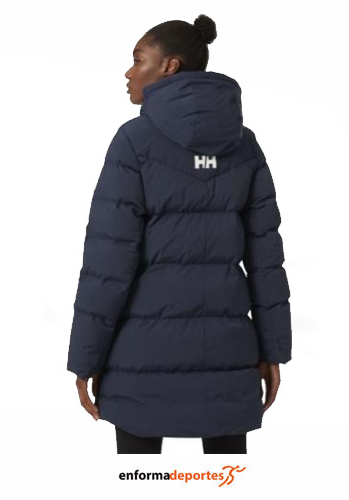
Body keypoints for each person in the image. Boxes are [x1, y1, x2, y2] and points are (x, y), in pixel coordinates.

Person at [67, 14, 292, 454]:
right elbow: (266, 260)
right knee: (225, 481)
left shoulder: (133, 142)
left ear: (169, 66)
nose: (129, 72)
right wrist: (273, 350)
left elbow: (107, 264)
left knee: (140, 479)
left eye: (138, 60)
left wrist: (86, 358)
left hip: (138, 361)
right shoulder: (245, 145)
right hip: (229, 358)